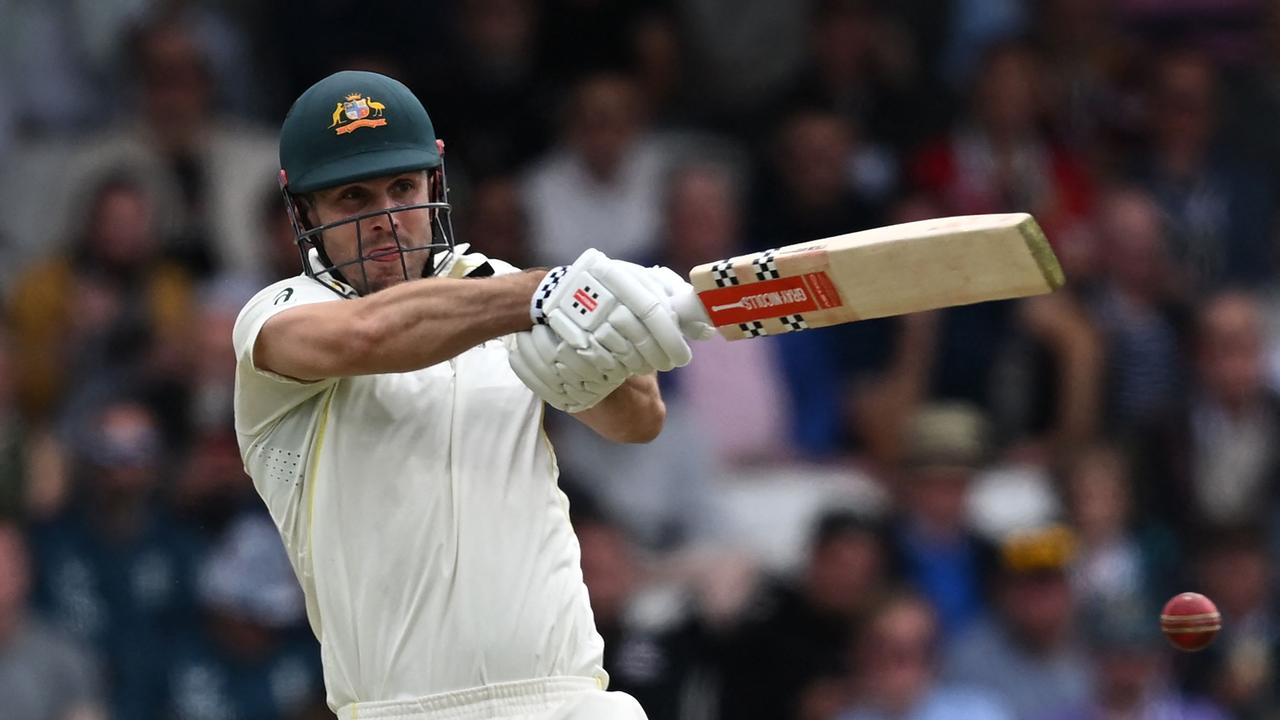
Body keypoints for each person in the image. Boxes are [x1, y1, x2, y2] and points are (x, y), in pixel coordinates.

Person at [232, 69, 710, 720]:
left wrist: (616, 358)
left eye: (401, 187)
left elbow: (639, 421)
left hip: (569, 697)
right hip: (403, 709)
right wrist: (544, 294)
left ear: (435, 181)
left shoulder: (508, 292)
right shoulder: (279, 319)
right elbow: (368, 335)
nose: (385, 218)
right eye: (352, 198)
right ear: (303, 211)